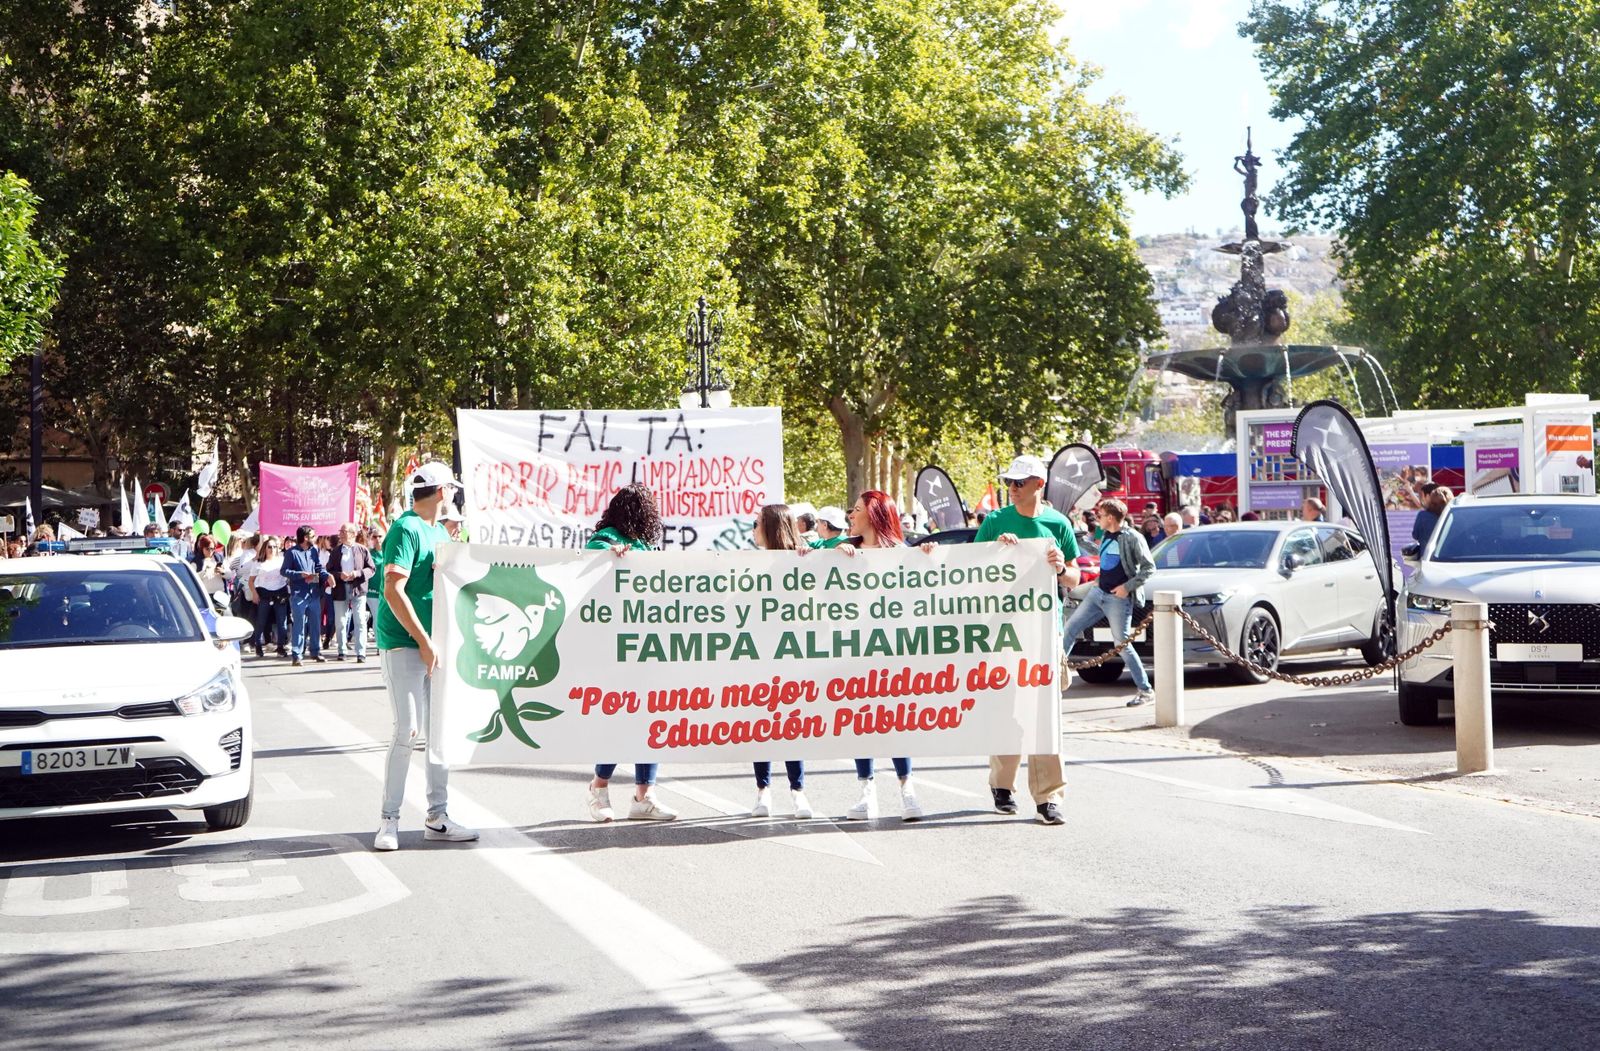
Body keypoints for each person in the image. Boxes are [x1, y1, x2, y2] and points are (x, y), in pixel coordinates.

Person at [373, 461, 478, 851]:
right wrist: (423, 640)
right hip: (403, 642)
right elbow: (393, 590)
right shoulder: (405, 528)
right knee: (407, 732)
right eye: (450, 489)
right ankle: (389, 820)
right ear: (440, 492)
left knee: (439, 734)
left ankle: (437, 816)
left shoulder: (437, 531)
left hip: (432, 643)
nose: (453, 494)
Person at [972, 456, 1079, 825]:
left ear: (1039, 484)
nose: (1012, 489)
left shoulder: (1058, 524)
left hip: (1045, 632)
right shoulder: (994, 522)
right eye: (1009, 483)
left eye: (1019, 483)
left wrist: (1062, 565)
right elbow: (970, 572)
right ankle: (1002, 785)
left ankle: (1048, 797)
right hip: (1003, 633)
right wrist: (995, 553)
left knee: (1043, 716)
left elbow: (1075, 578)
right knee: (1006, 710)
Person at [585, 483, 679, 823]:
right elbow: (587, 572)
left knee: (650, 718)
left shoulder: (643, 547)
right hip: (615, 647)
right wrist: (610, 560)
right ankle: (599, 787)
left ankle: (644, 795)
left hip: (647, 645)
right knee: (621, 718)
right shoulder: (604, 541)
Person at [836, 490, 925, 822]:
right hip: (855, 652)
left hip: (891, 652)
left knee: (894, 722)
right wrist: (831, 551)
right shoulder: (846, 550)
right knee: (861, 723)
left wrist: (926, 555)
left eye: (856, 510)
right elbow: (804, 560)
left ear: (874, 515)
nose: (851, 515)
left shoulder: (901, 554)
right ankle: (866, 793)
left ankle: (907, 791)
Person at [747, 504, 814, 819]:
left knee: (790, 725)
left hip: (791, 654)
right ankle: (763, 791)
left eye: (757, 522)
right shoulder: (749, 563)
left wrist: (813, 563)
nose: (753, 529)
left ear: (771, 527)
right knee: (762, 725)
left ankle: (798, 792)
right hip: (760, 653)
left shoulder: (806, 559)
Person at [1064, 499, 1157, 707]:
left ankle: (1145, 690)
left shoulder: (1133, 537)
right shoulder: (1105, 534)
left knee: (1122, 644)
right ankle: (1053, 679)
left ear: (1111, 518)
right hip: (1098, 593)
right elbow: (1091, 545)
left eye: (1101, 515)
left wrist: (1127, 587)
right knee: (1070, 628)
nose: (1098, 518)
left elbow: (1149, 568)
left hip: (1118, 598)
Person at [280, 526, 329, 667]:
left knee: (315, 624)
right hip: (298, 594)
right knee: (299, 625)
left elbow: (319, 568)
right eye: (312, 535)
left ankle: (315, 651)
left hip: (314, 592)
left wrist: (327, 576)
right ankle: (297, 655)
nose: (315, 537)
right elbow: (284, 571)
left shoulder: (314, 551)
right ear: (305, 537)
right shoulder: (291, 553)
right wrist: (300, 574)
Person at [327, 522, 375, 663]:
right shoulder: (335, 552)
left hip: (358, 589)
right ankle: (342, 651)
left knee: (360, 620)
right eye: (340, 531)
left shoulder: (362, 550)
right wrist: (338, 575)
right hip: (340, 589)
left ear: (353, 534)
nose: (341, 534)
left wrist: (357, 573)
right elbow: (328, 570)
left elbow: (371, 569)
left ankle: (361, 652)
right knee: (340, 621)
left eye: (344, 531)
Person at [247, 536, 289, 657]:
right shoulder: (258, 563)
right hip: (264, 593)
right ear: (265, 548)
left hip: (280, 592)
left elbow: (288, 576)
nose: (272, 549)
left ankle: (281, 646)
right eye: (269, 547)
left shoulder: (282, 560)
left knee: (282, 622)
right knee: (261, 621)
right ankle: (258, 645)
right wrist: (254, 594)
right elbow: (251, 581)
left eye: (274, 547)